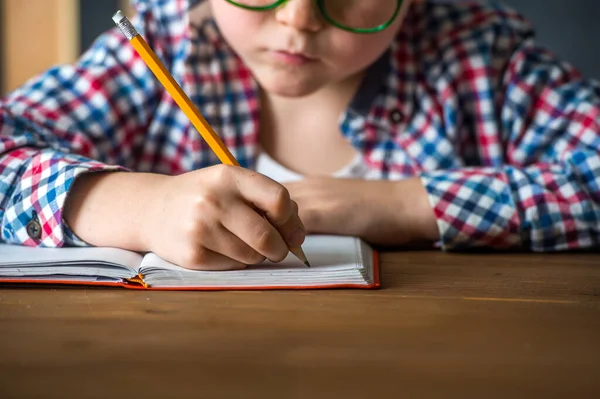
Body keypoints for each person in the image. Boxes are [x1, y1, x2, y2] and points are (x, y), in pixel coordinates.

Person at [1, 0, 599, 270]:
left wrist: (402, 204)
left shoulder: (480, 56)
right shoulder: (161, 45)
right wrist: (138, 205)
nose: (299, 18)